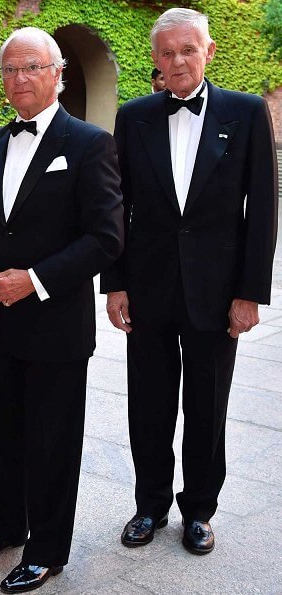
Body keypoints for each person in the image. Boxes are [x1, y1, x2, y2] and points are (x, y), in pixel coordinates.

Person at [101, 8, 278, 555]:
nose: (177, 61)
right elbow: (117, 207)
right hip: (147, 288)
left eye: (187, 50)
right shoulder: (133, 116)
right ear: (155, 58)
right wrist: (116, 283)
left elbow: (261, 210)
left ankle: (199, 509)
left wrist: (250, 294)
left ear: (209, 52)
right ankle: (149, 505)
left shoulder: (246, 112)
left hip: (217, 291)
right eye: (167, 52)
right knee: (147, 404)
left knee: (208, 405)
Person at [0, 27, 123, 593]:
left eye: (31, 67)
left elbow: (106, 238)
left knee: (52, 442)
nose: (19, 78)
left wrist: (35, 280)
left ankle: (47, 551)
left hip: (56, 325)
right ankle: (6, 527)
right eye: (9, 69)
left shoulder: (90, 143)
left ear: (58, 74)